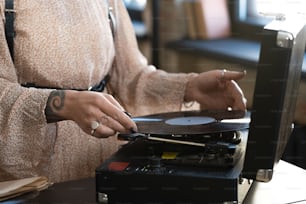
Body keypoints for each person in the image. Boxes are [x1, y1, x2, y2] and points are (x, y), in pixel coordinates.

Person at [0, 0, 246, 183]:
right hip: (34, 176)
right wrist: (58, 102)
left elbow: (130, 77)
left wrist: (188, 87)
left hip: (106, 163)